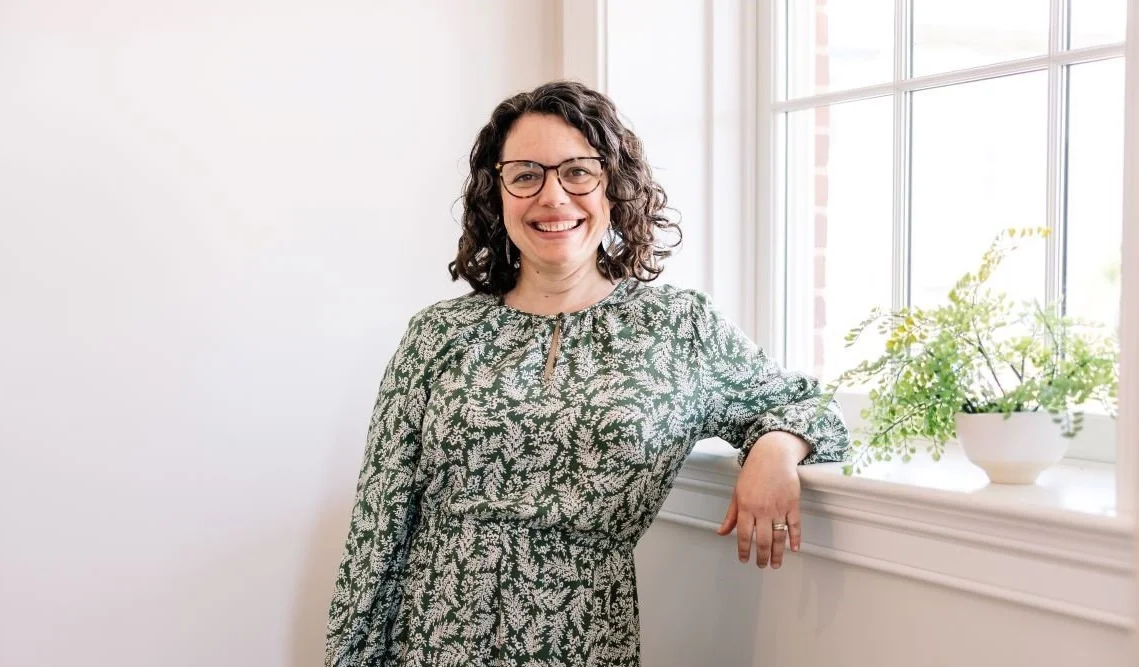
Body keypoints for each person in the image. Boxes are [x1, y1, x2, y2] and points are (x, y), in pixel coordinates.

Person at [324, 80, 850, 667]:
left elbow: (810, 407)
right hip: (431, 642)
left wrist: (775, 448)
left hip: (586, 641)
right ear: (497, 194)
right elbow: (377, 527)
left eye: (578, 171)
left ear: (614, 186)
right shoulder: (438, 334)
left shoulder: (677, 328)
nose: (553, 196)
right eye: (526, 175)